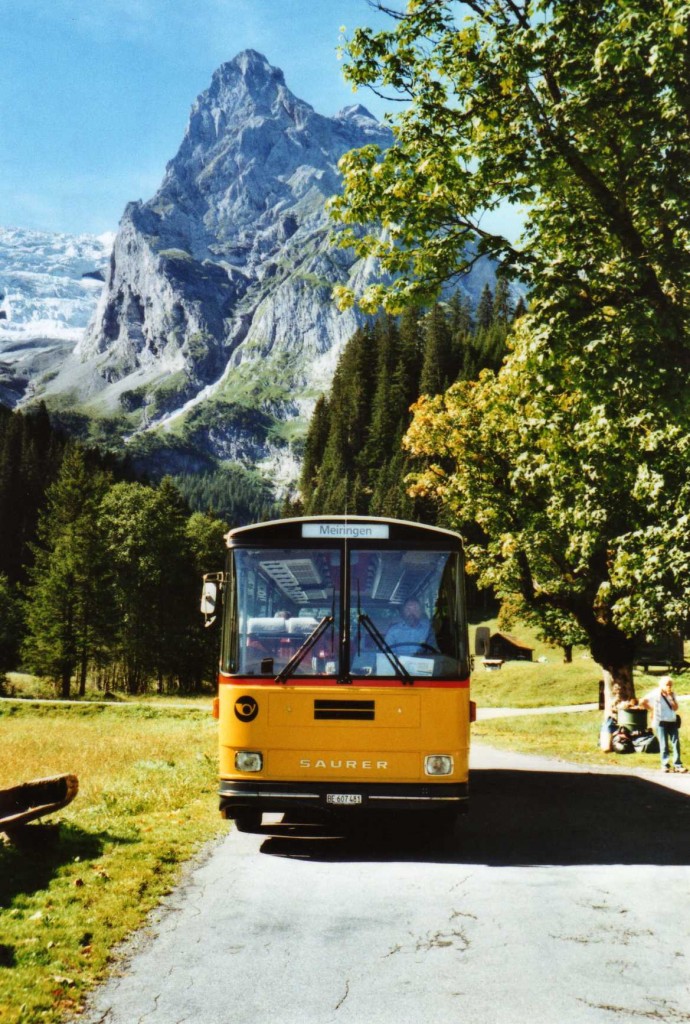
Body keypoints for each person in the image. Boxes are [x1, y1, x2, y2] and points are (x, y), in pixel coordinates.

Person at [640, 675, 688, 773]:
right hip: (661, 721)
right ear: (661, 685)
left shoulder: (672, 694)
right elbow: (642, 701)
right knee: (664, 744)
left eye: (670, 685)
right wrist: (652, 709)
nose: (669, 686)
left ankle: (678, 765)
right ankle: (665, 765)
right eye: (667, 685)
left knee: (676, 742)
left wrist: (671, 698)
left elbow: (675, 708)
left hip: (672, 721)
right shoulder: (655, 693)